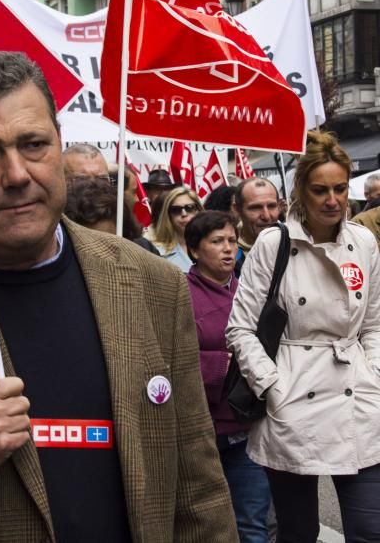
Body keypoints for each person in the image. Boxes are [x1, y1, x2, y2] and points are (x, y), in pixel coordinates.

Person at [0, 51, 237, 543]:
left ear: (59, 144)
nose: (16, 174)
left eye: (33, 144)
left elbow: (198, 492)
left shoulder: (150, 283)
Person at [226, 130, 380, 543]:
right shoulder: (273, 244)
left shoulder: (364, 242)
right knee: (298, 533)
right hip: (293, 401)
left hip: (358, 398)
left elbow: (374, 324)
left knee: (370, 530)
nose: (333, 200)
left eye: (340, 188)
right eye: (320, 190)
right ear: (301, 192)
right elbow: (240, 328)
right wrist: (274, 387)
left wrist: (375, 374)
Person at [185, 211, 270, 543]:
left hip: (247, 429)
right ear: (194, 250)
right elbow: (170, 359)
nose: (227, 249)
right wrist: (223, 363)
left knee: (252, 524)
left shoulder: (251, 291)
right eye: (216, 242)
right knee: (206, 527)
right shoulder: (178, 292)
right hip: (202, 433)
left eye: (232, 241)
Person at [153, 186, 203, 272]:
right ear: (168, 215)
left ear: (198, 210)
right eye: (176, 210)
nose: (184, 214)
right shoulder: (156, 252)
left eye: (189, 208)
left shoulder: (216, 246)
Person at [233, 178, 280, 258]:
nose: (266, 216)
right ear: (237, 210)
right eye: (256, 208)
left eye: (271, 206)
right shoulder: (229, 254)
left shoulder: (296, 244)